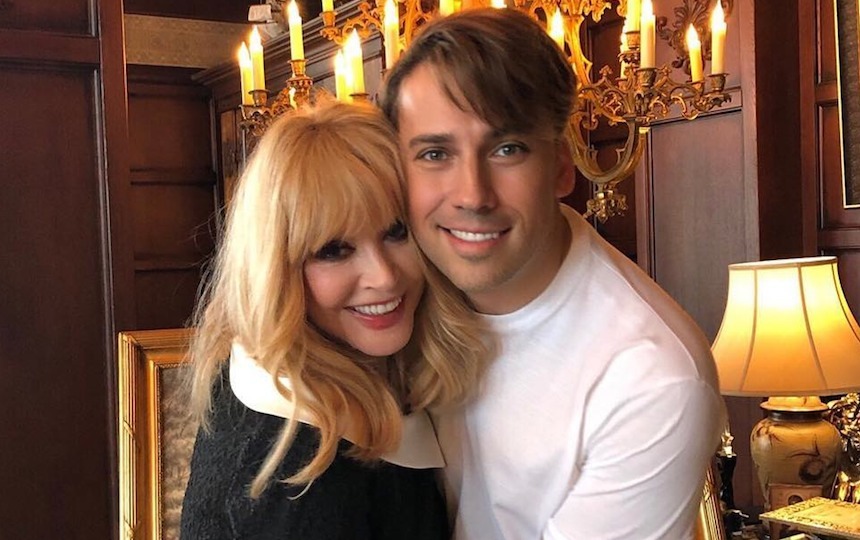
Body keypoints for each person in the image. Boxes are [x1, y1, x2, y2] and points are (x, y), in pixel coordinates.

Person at [380, 8, 725, 539]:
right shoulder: (390, 291)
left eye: (507, 149)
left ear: (562, 167)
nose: (472, 195)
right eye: (435, 153)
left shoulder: (652, 379)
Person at [179, 100, 490, 539]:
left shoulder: (273, 366)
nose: (384, 277)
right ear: (277, 270)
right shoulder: (302, 477)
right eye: (333, 250)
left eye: (396, 232)